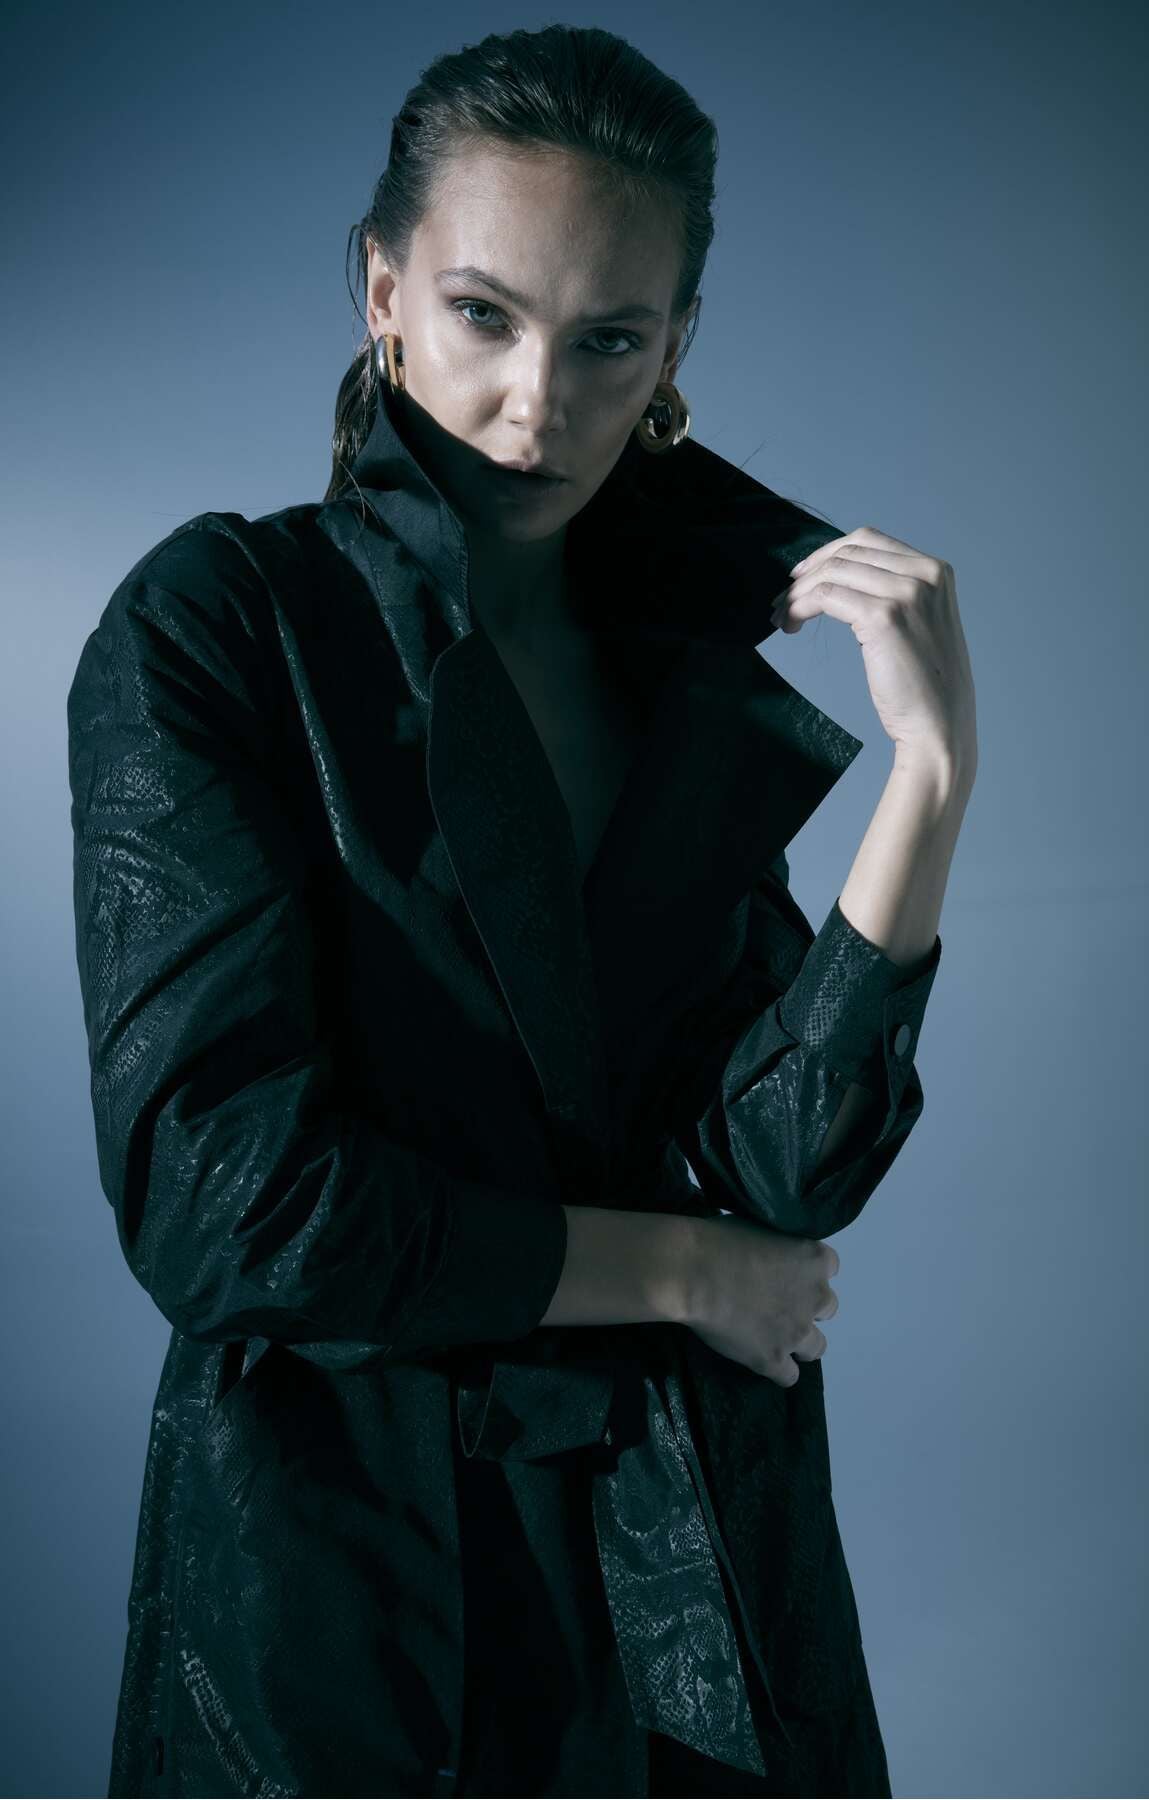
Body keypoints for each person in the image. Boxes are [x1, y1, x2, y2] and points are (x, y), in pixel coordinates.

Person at [67, 24, 976, 1800]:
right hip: (351, 1585)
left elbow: (782, 1173)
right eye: (484, 314)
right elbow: (223, 1205)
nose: (538, 402)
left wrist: (929, 783)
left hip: (688, 1577)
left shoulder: (680, 660)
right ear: (383, 292)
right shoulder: (220, 622)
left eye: (608, 340)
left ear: (674, 351)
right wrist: (678, 1271)